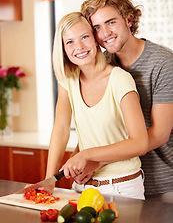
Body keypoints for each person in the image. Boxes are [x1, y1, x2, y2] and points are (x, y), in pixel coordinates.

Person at [74, 0, 173, 202]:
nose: (105, 33)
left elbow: (160, 133)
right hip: (117, 181)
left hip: (162, 183)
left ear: (129, 19)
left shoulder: (163, 63)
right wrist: (80, 157)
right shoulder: (103, 65)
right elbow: (94, 125)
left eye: (111, 22)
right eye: (96, 28)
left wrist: (96, 160)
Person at [45, 11, 149, 200]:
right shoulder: (68, 81)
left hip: (122, 187)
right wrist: (49, 180)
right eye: (70, 42)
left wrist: (86, 155)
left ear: (95, 40)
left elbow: (140, 142)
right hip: (82, 188)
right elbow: (61, 130)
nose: (79, 47)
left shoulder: (120, 79)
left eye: (85, 37)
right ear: (63, 50)